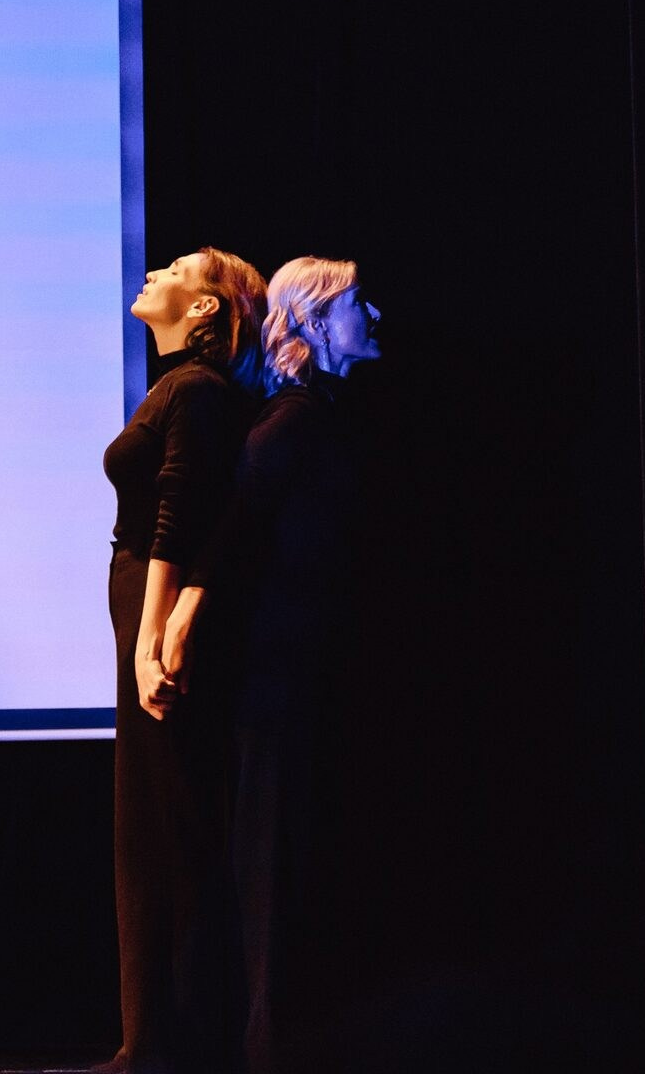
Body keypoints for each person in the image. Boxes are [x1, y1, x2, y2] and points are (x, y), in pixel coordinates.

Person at [101, 247, 266, 1073]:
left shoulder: (195, 389)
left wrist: (152, 634)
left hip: (154, 605)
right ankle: (158, 1040)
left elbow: (179, 513)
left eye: (173, 270)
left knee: (168, 827)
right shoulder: (182, 387)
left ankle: (173, 1047)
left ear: (204, 308)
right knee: (154, 823)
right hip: (144, 598)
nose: (154, 275)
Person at [221, 255, 381, 1073]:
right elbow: (235, 550)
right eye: (357, 304)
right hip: (280, 687)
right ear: (315, 324)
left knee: (310, 871)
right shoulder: (288, 426)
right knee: (277, 875)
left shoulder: (323, 418)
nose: (373, 316)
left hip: (311, 682)